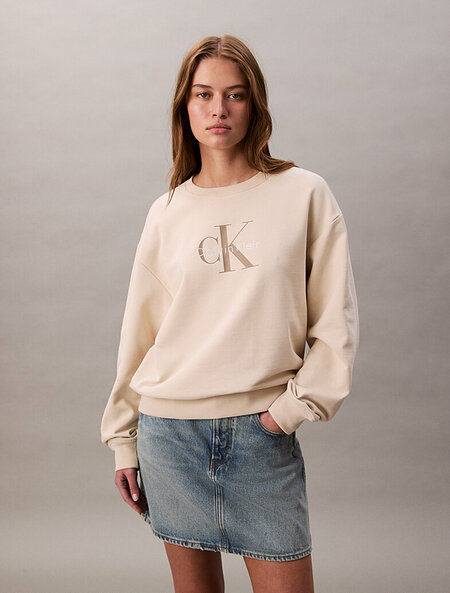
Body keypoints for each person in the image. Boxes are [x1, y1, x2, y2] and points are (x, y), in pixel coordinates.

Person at [100, 34, 359, 593]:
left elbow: (335, 325)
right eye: (204, 94)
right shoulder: (167, 211)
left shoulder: (304, 194)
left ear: (254, 104)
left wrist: (287, 413)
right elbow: (139, 332)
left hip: (261, 435)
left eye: (235, 94)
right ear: (185, 106)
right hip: (170, 437)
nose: (218, 109)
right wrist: (124, 439)